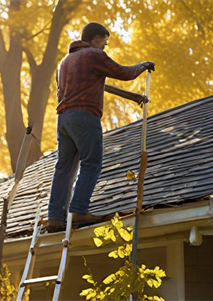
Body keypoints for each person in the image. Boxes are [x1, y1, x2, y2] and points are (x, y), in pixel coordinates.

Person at [47, 22, 155, 232]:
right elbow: (123, 72)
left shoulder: (66, 62)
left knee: (63, 168)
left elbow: (99, 83)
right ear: (96, 38)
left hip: (64, 119)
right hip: (86, 117)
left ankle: (55, 218)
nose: (105, 46)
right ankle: (78, 209)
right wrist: (143, 65)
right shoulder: (93, 55)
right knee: (92, 162)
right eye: (104, 41)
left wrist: (131, 96)